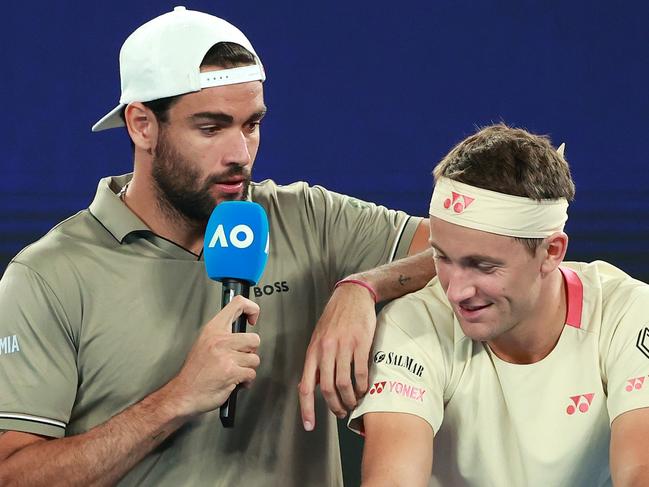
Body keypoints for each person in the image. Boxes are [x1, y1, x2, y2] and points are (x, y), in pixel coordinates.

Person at [0, 7, 435, 486]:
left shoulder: (310, 218)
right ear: (142, 125)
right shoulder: (47, 276)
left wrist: (364, 286)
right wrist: (177, 399)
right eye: (211, 128)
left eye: (251, 124)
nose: (240, 154)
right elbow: (14, 475)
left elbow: (485, 244)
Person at [350, 124, 649, 486]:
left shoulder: (628, 312)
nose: (456, 291)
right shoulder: (412, 322)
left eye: (482, 265)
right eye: (442, 258)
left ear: (551, 252)